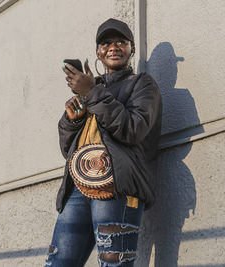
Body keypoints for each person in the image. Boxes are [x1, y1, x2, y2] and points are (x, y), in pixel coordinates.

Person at [45, 18, 162, 267]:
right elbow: (69, 150)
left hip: (116, 189)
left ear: (131, 48)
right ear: (98, 51)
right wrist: (71, 121)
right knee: (57, 264)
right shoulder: (90, 90)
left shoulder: (141, 84)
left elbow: (133, 129)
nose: (114, 47)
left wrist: (93, 93)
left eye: (121, 41)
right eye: (106, 43)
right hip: (78, 189)